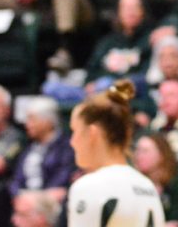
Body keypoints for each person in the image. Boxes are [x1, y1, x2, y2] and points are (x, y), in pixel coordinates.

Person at [67, 80, 166, 226]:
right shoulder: (147, 187)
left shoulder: (89, 186)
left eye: (74, 131)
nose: (72, 142)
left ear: (92, 134)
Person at [9, 97, 74, 201]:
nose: (27, 124)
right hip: (26, 202)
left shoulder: (66, 147)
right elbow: (16, 180)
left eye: (32, 119)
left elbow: (61, 180)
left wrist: (38, 198)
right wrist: (17, 195)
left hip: (49, 203)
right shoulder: (28, 147)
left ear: (47, 121)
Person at [133, 134, 178, 227]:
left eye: (145, 151)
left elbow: (175, 224)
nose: (138, 156)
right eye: (137, 150)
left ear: (162, 154)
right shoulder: (136, 183)